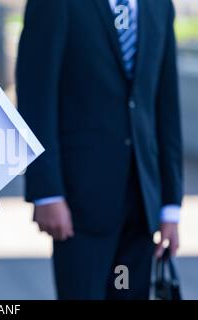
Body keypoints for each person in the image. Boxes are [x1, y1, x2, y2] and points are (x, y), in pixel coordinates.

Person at [17, 0, 183, 299]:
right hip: (79, 200)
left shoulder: (159, 6)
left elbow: (166, 108)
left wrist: (171, 206)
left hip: (142, 202)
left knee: (129, 291)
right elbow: (36, 98)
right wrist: (47, 191)